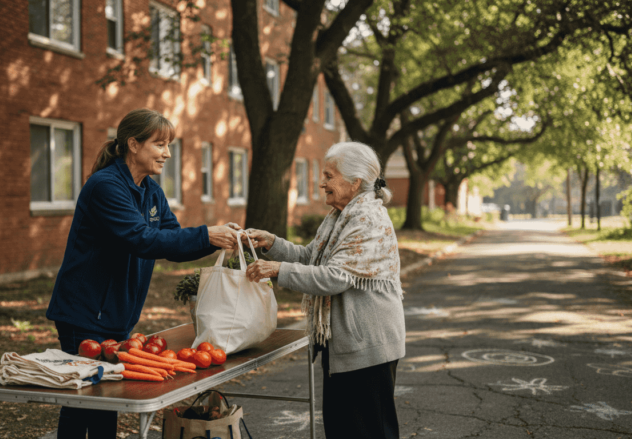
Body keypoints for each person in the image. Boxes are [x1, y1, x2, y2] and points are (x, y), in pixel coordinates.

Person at [45, 108, 239, 438]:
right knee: (82, 403)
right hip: (84, 311)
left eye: (169, 145)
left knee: (108, 398)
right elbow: (141, 239)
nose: (166, 153)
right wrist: (207, 233)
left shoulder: (150, 190)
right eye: (159, 144)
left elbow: (171, 241)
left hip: (117, 312)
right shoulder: (106, 186)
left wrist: (216, 239)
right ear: (133, 145)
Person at [243, 141, 405, 439]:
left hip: (367, 346)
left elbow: (335, 277)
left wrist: (278, 270)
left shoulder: (367, 219)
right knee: (343, 429)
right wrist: (273, 244)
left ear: (355, 181)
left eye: (329, 176)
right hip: (344, 341)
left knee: (370, 431)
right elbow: (312, 258)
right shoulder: (340, 217)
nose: (322, 183)